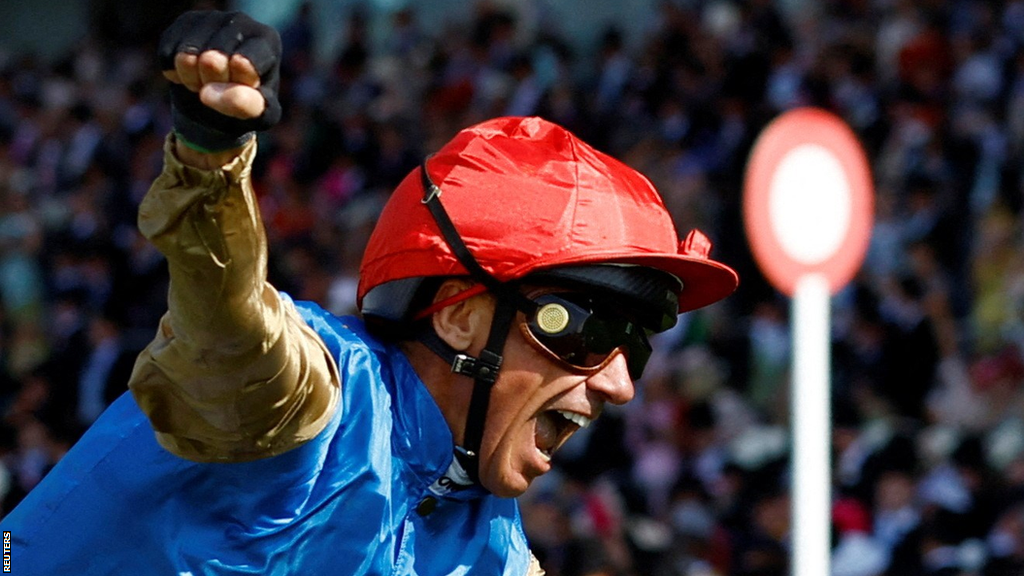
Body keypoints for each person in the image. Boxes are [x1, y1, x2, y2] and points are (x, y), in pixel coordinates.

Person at [0, 10, 738, 575]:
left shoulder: (487, 535)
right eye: (589, 328)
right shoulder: (310, 398)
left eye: (636, 346)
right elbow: (227, 321)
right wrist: (209, 160)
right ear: (458, 317)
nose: (618, 382)